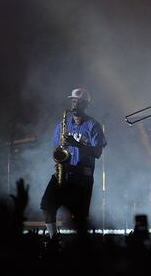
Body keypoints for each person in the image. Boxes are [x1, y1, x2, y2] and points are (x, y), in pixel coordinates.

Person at [40, 88, 106, 237]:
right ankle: (53, 239)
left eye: (79, 102)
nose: (75, 105)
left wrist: (76, 144)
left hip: (82, 177)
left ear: (86, 105)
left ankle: (80, 250)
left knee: (79, 217)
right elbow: (57, 147)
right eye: (73, 101)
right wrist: (57, 158)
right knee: (46, 206)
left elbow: (97, 153)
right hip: (63, 173)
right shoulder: (63, 123)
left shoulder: (93, 125)